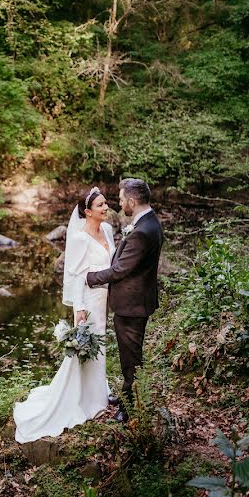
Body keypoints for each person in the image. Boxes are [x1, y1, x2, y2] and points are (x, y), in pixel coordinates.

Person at [14, 188, 115, 443]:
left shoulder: (108, 231)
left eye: (106, 203)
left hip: (105, 299)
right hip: (89, 301)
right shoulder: (80, 238)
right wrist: (78, 308)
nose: (106, 208)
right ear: (87, 211)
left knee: (100, 347)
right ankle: (83, 401)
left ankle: (97, 397)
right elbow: (76, 275)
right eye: (100, 205)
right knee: (87, 347)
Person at [86, 178, 163, 423]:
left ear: (132, 201)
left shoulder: (142, 231)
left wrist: (91, 277)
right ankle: (129, 393)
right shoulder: (149, 222)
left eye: (120, 200)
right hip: (138, 301)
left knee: (131, 358)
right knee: (130, 354)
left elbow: (120, 270)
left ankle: (130, 408)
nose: (119, 204)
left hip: (132, 305)